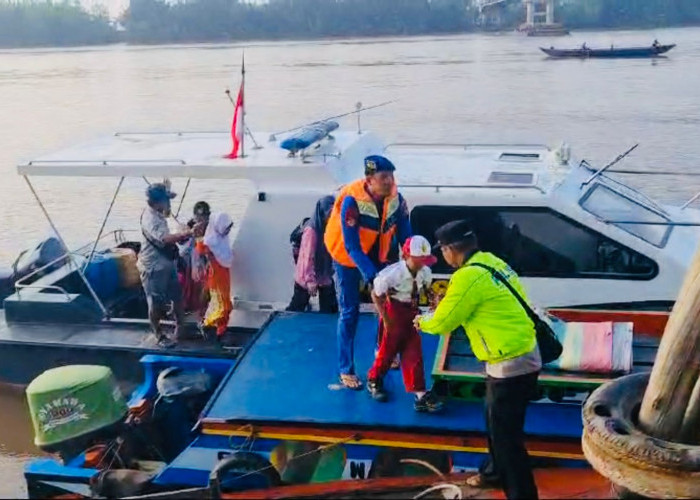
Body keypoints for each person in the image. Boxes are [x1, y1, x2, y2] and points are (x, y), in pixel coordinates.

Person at [415, 220, 541, 500]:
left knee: (507, 441)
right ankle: (494, 473)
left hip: (509, 364)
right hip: (526, 353)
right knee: (495, 420)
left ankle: (522, 494)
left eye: (443, 251)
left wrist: (420, 321)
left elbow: (443, 322)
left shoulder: (466, 277)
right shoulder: (491, 261)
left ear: (449, 250)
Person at [324, 155, 412, 390]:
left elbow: (406, 235)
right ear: (370, 180)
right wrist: (374, 278)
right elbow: (352, 246)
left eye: (392, 176)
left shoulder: (397, 198)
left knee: (387, 305)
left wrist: (413, 260)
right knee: (349, 312)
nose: (389, 181)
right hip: (348, 257)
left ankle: (381, 350)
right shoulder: (352, 202)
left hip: (379, 253)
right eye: (384, 177)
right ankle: (346, 369)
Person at [366, 235, 442, 413]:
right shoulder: (392, 274)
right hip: (393, 312)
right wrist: (385, 319)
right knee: (387, 351)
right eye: (419, 259)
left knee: (414, 352)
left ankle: (420, 393)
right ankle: (374, 380)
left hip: (412, 313)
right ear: (407, 256)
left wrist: (434, 301)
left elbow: (426, 290)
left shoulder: (425, 272)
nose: (422, 263)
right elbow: (375, 295)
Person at [138, 183, 199, 347]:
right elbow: (164, 239)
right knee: (155, 302)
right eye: (167, 200)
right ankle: (159, 335)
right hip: (153, 267)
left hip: (167, 263)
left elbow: (169, 228)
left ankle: (181, 329)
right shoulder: (150, 218)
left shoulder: (159, 213)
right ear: (157, 202)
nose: (169, 204)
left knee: (177, 296)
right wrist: (186, 233)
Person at [287, 196, 338, 313]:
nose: (332, 217)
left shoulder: (330, 228)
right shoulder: (311, 231)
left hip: (324, 273)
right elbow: (307, 256)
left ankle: (327, 328)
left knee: (330, 309)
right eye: (329, 214)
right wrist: (310, 280)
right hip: (305, 275)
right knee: (297, 308)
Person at [196, 212, 234, 342]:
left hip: (224, 276)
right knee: (222, 306)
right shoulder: (210, 241)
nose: (228, 230)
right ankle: (207, 324)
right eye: (226, 227)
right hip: (216, 277)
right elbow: (200, 249)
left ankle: (220, 330)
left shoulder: (222, 239)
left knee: (226, 304)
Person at [178, 201, 210, 321]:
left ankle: (203, 314)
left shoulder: (211, 227)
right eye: (198, 216)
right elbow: (181, 243)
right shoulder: (190, 226)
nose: (201, 219)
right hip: (191, 262)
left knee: (205, 289)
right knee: (190, 289)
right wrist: (188, 233)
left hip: (205, 261)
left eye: (204, 216)